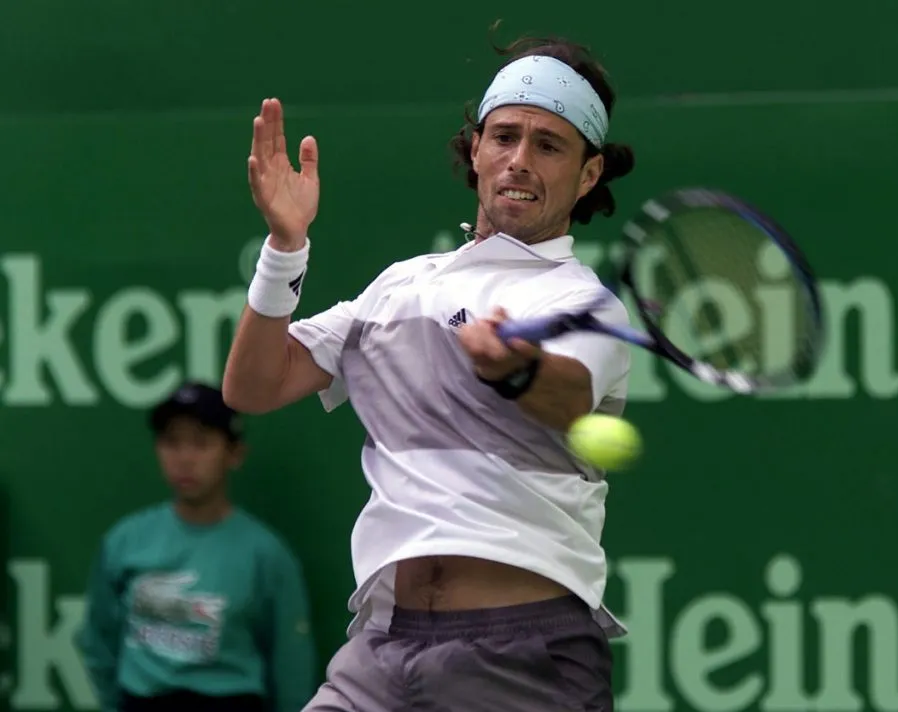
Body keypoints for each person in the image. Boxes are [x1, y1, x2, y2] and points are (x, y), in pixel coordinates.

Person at [224, 33, 636, 711]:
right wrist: (285, 248)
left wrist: (517, 369)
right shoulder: (399, 288)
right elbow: (253, 386)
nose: (519, 161)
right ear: (475, 150)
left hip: (523, 657)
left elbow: (569, 393)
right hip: (382, 651)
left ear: (588, 175)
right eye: (504, 137)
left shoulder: (583, 303)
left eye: (549, 145)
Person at [75, 382, 317, 712]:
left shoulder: (266, 554)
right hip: (143, 699)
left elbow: (291, 662)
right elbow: (98, 639)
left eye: (201, 443)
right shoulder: (125, 540)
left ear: (234, 454)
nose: (185, 459)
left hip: (229, 700)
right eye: (171, 443)